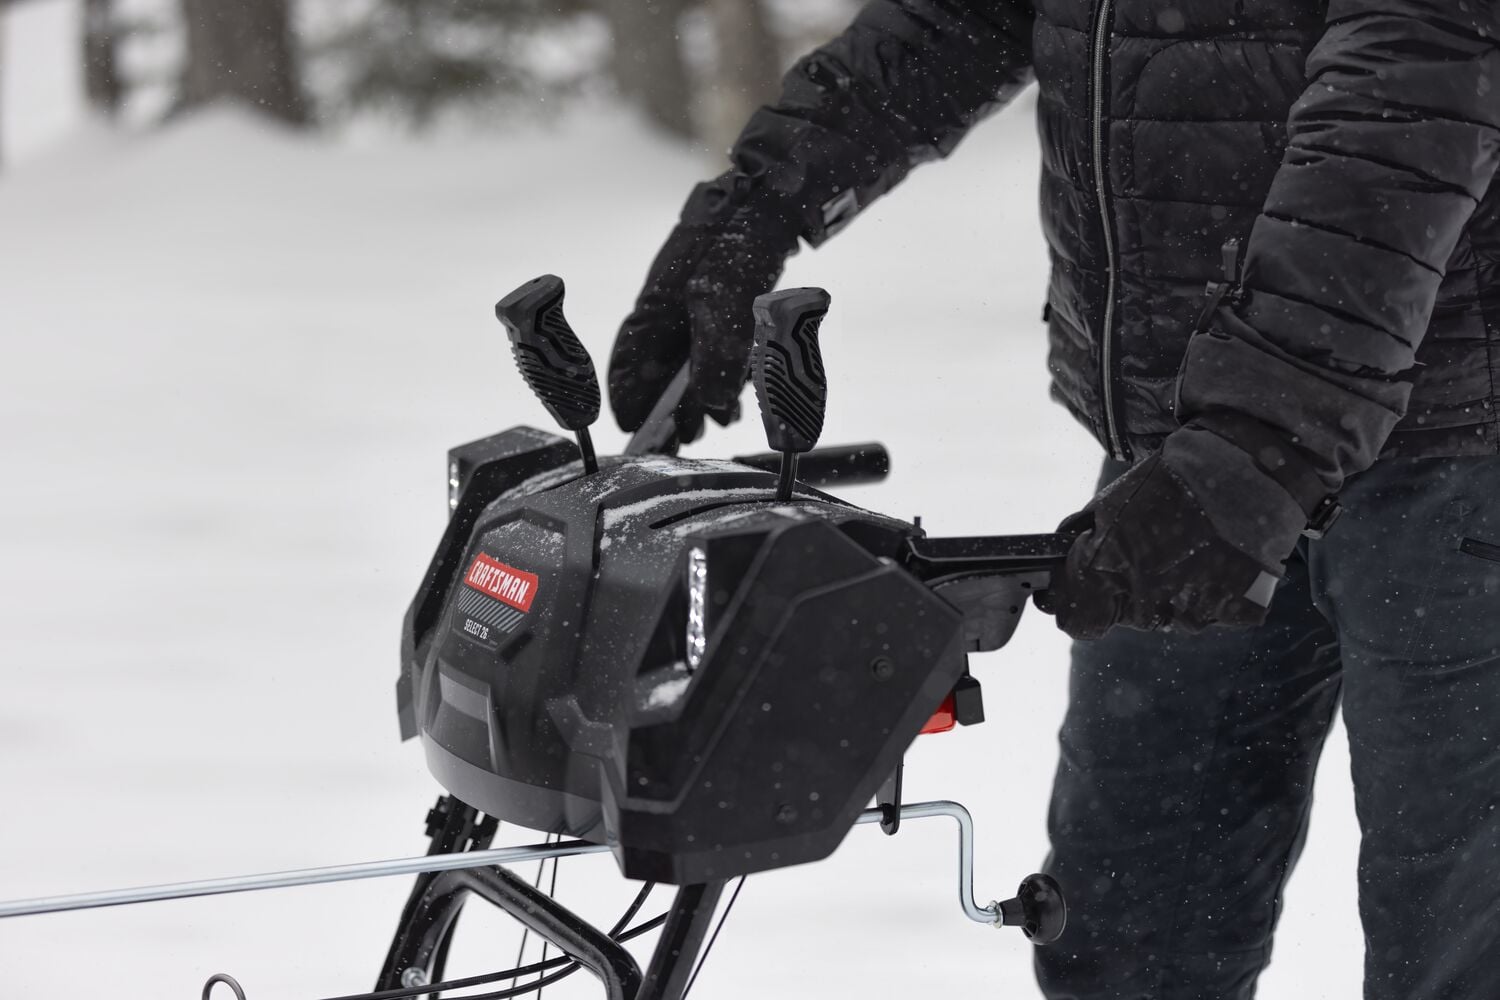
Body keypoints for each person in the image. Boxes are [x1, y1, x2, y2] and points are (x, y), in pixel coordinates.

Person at [606, 2, 1500, 998]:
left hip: (1455, 447)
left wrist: (1254, 447)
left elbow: (1413, 90)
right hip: (1185, 450)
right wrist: (760, 203)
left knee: (1460, 953)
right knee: (1125, 939)